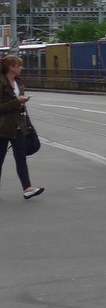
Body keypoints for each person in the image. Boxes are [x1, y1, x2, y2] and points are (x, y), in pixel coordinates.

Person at [0, 55, 44, 200]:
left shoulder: (18, 82)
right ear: (11, 68)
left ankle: (27, 188)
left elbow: (17, 105)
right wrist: (16, 102)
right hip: (2, 128)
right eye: (19, 66)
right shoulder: (1, 82)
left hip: (18, 126)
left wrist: (21, 104)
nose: (21, 68)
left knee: (21, 158)